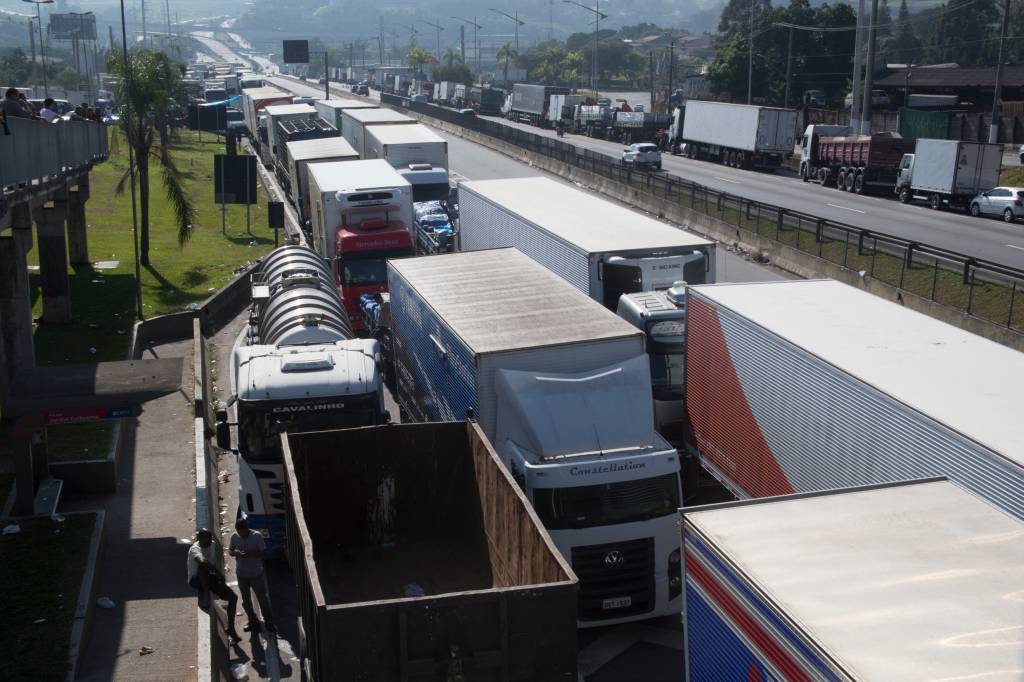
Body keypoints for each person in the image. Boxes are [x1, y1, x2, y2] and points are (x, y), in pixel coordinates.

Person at [187, 528, 241, 641]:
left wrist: (219, 578)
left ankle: (231, 628)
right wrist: (218, 573)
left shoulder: (212, 545)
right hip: (196, 579)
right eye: (206, 538)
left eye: (210, 538)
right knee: (202, 567)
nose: (209, 541)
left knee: (233, 597)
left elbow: (214, 563)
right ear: (199, 539)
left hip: (210, 577)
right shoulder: (194, 549)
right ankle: (206, 595)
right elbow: (202, 562)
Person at [229, 517, 276, 633]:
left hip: (256, 574)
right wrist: (235, 553)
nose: (241, 535)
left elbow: (263, 552)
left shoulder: (257, 536)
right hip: (241, 574)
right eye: (239, 533)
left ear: (247, 529)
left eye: (243, 533)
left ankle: (269, 621)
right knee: (246, 600)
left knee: (262, 599)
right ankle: (252, 620)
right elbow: (230, 550)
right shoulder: (234, 537)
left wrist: (250, 553)